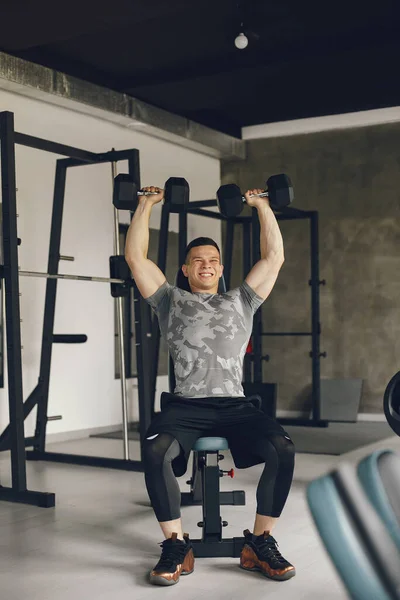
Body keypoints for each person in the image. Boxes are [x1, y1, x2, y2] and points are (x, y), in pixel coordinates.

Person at [125, 185, 296, 586]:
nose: (206, 265)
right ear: (184, 269)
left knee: (282, 449)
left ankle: (260, 541)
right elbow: (136, 257)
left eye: (213, 261)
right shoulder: (168, 300)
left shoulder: (244, 300)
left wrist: (262, 206)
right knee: (155, 451)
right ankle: (175, 544)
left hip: (234, 405)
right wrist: (146, 204)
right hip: (185, 406)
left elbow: (275, 257)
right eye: (197, 260)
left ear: (221, 269)